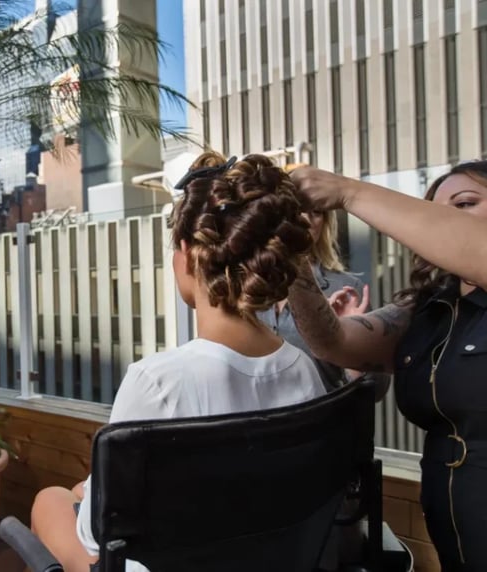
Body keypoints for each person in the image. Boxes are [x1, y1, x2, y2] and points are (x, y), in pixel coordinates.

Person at [30, 154, 327, 572]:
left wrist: (88, 493)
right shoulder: (302, 370)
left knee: (50, 501)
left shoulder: (158, 382)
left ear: (188, 254)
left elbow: (97, 532)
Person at [285, 160, 487, 571]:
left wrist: (346, 191)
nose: (443, 221)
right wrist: (293, 254)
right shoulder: (429, 309)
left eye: (465, 203)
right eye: (433, 211)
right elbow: (332, 341)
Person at [256, 207, 391, 397]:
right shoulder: (246, 286)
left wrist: (348, 338)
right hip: (254, 414)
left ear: (325, 222)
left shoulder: (345, 289)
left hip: (324, 413)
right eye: (297, 210)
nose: (306, 219)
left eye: (317, 212)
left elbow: (376, 389)